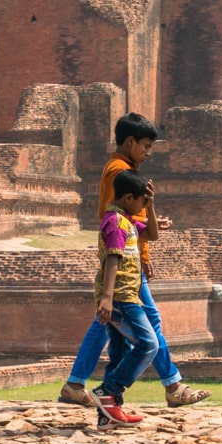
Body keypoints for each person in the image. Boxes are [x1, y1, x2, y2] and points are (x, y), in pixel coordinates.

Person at [58, 113, 211, 410]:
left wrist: (148, 238)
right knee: (135, 326)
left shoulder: (120, 168)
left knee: (111, 327)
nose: (148, 152)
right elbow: (118, 219)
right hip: (126, 267)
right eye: (145, 146)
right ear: (130, 142)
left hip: (130, 263)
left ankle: (89, 385)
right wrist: (141, 256)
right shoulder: (120, 172)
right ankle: (168, 386)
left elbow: (134, 222)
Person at [90, 170, 159, 426]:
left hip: (123, 296)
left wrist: (150, 205)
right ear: (129, 198)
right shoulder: (116, 223)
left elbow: (152, 235)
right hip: (121, 297)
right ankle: (108, 391)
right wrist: (107, 299)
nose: (143, 207)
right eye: (142, 202)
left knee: (120, 353)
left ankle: (108, 413)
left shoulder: (125, 219)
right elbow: (112, 258)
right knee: (148, 344)